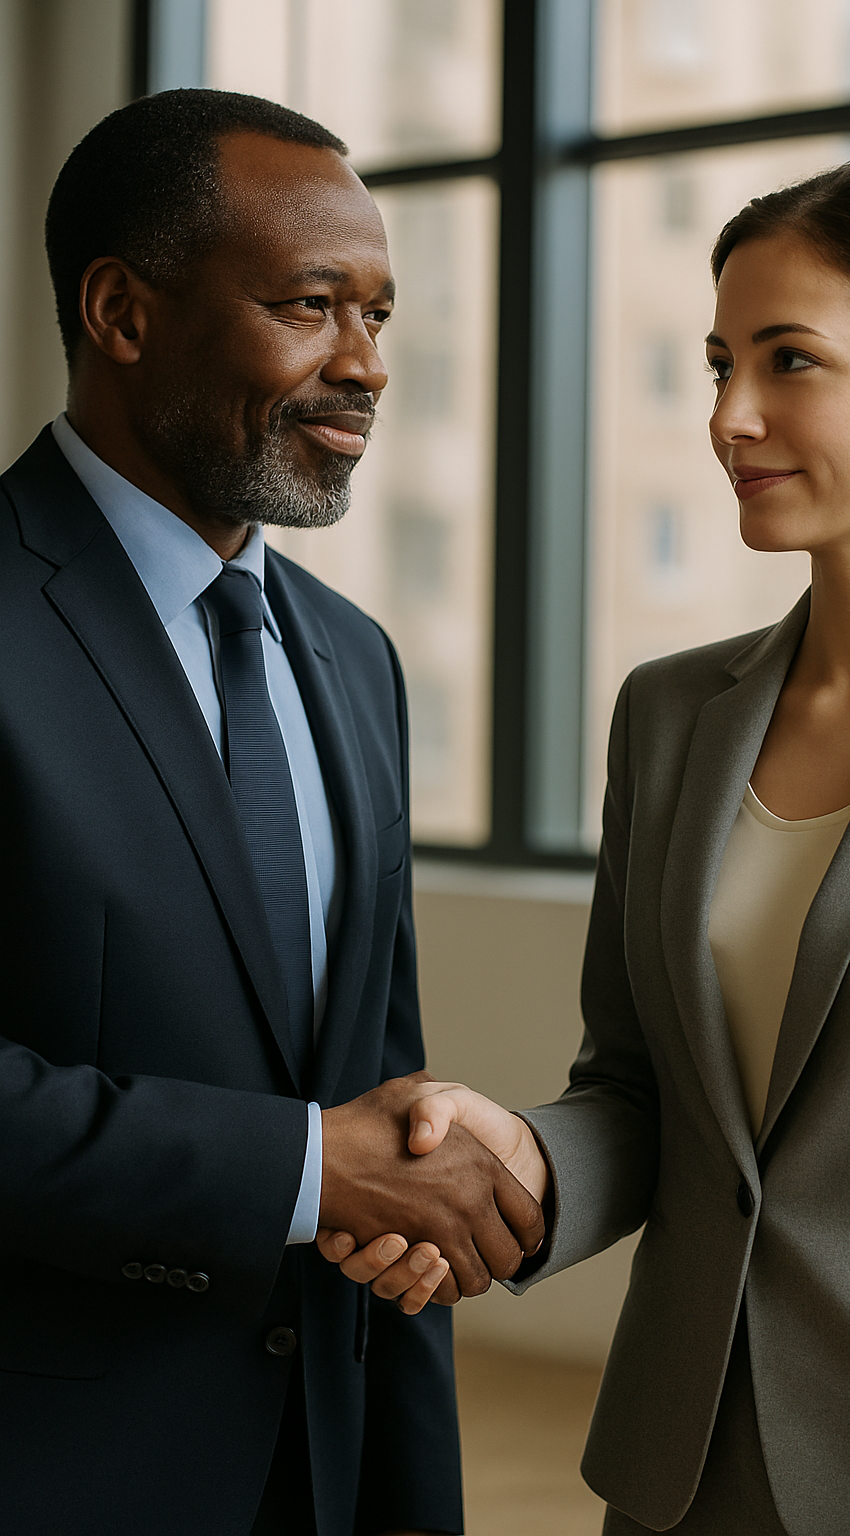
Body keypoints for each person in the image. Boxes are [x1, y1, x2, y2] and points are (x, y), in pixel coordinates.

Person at [333, 158, 850, 1534]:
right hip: (686, 1460)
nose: (729, 417)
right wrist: (510, 1165)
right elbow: (644, 1087)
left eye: (790, 361)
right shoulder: (673, 716)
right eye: (718, 362)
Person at [0, 88, 544, 1536]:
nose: (363, 367)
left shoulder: (353, 659)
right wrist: (301, 1171)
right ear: (121, 312)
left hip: (326, 1467)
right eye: (311, 306)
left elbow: (383, 1108)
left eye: (378, 320)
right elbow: (333, 1153)